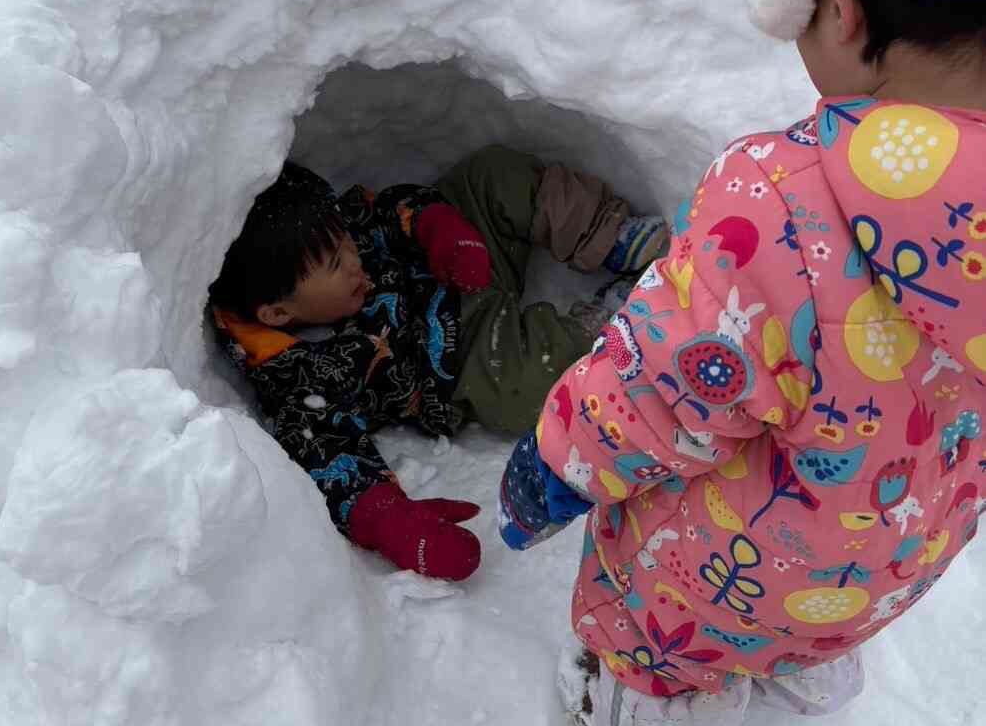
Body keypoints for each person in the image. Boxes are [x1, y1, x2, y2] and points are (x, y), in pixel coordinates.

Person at [497, 0, 986, 726]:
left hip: (722, 567)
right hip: (896, 547)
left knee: (662, 630)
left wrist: (552, 463)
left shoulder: (784, 207)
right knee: (828, 594)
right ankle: (811, 667)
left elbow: (660, 382)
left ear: (836, 4)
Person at [209, 147, 668, 581]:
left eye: (345, 240)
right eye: (333, 264)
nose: (352, 259)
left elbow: (391, 209)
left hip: (458, 261)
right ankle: (610, 323)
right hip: (458, 359)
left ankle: (606, 234)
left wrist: (440, 229)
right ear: (278, 313)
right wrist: (393, 523)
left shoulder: (324, 231)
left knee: (491, 175)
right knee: (526, 389)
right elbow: (331, 460)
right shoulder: (299, 380)